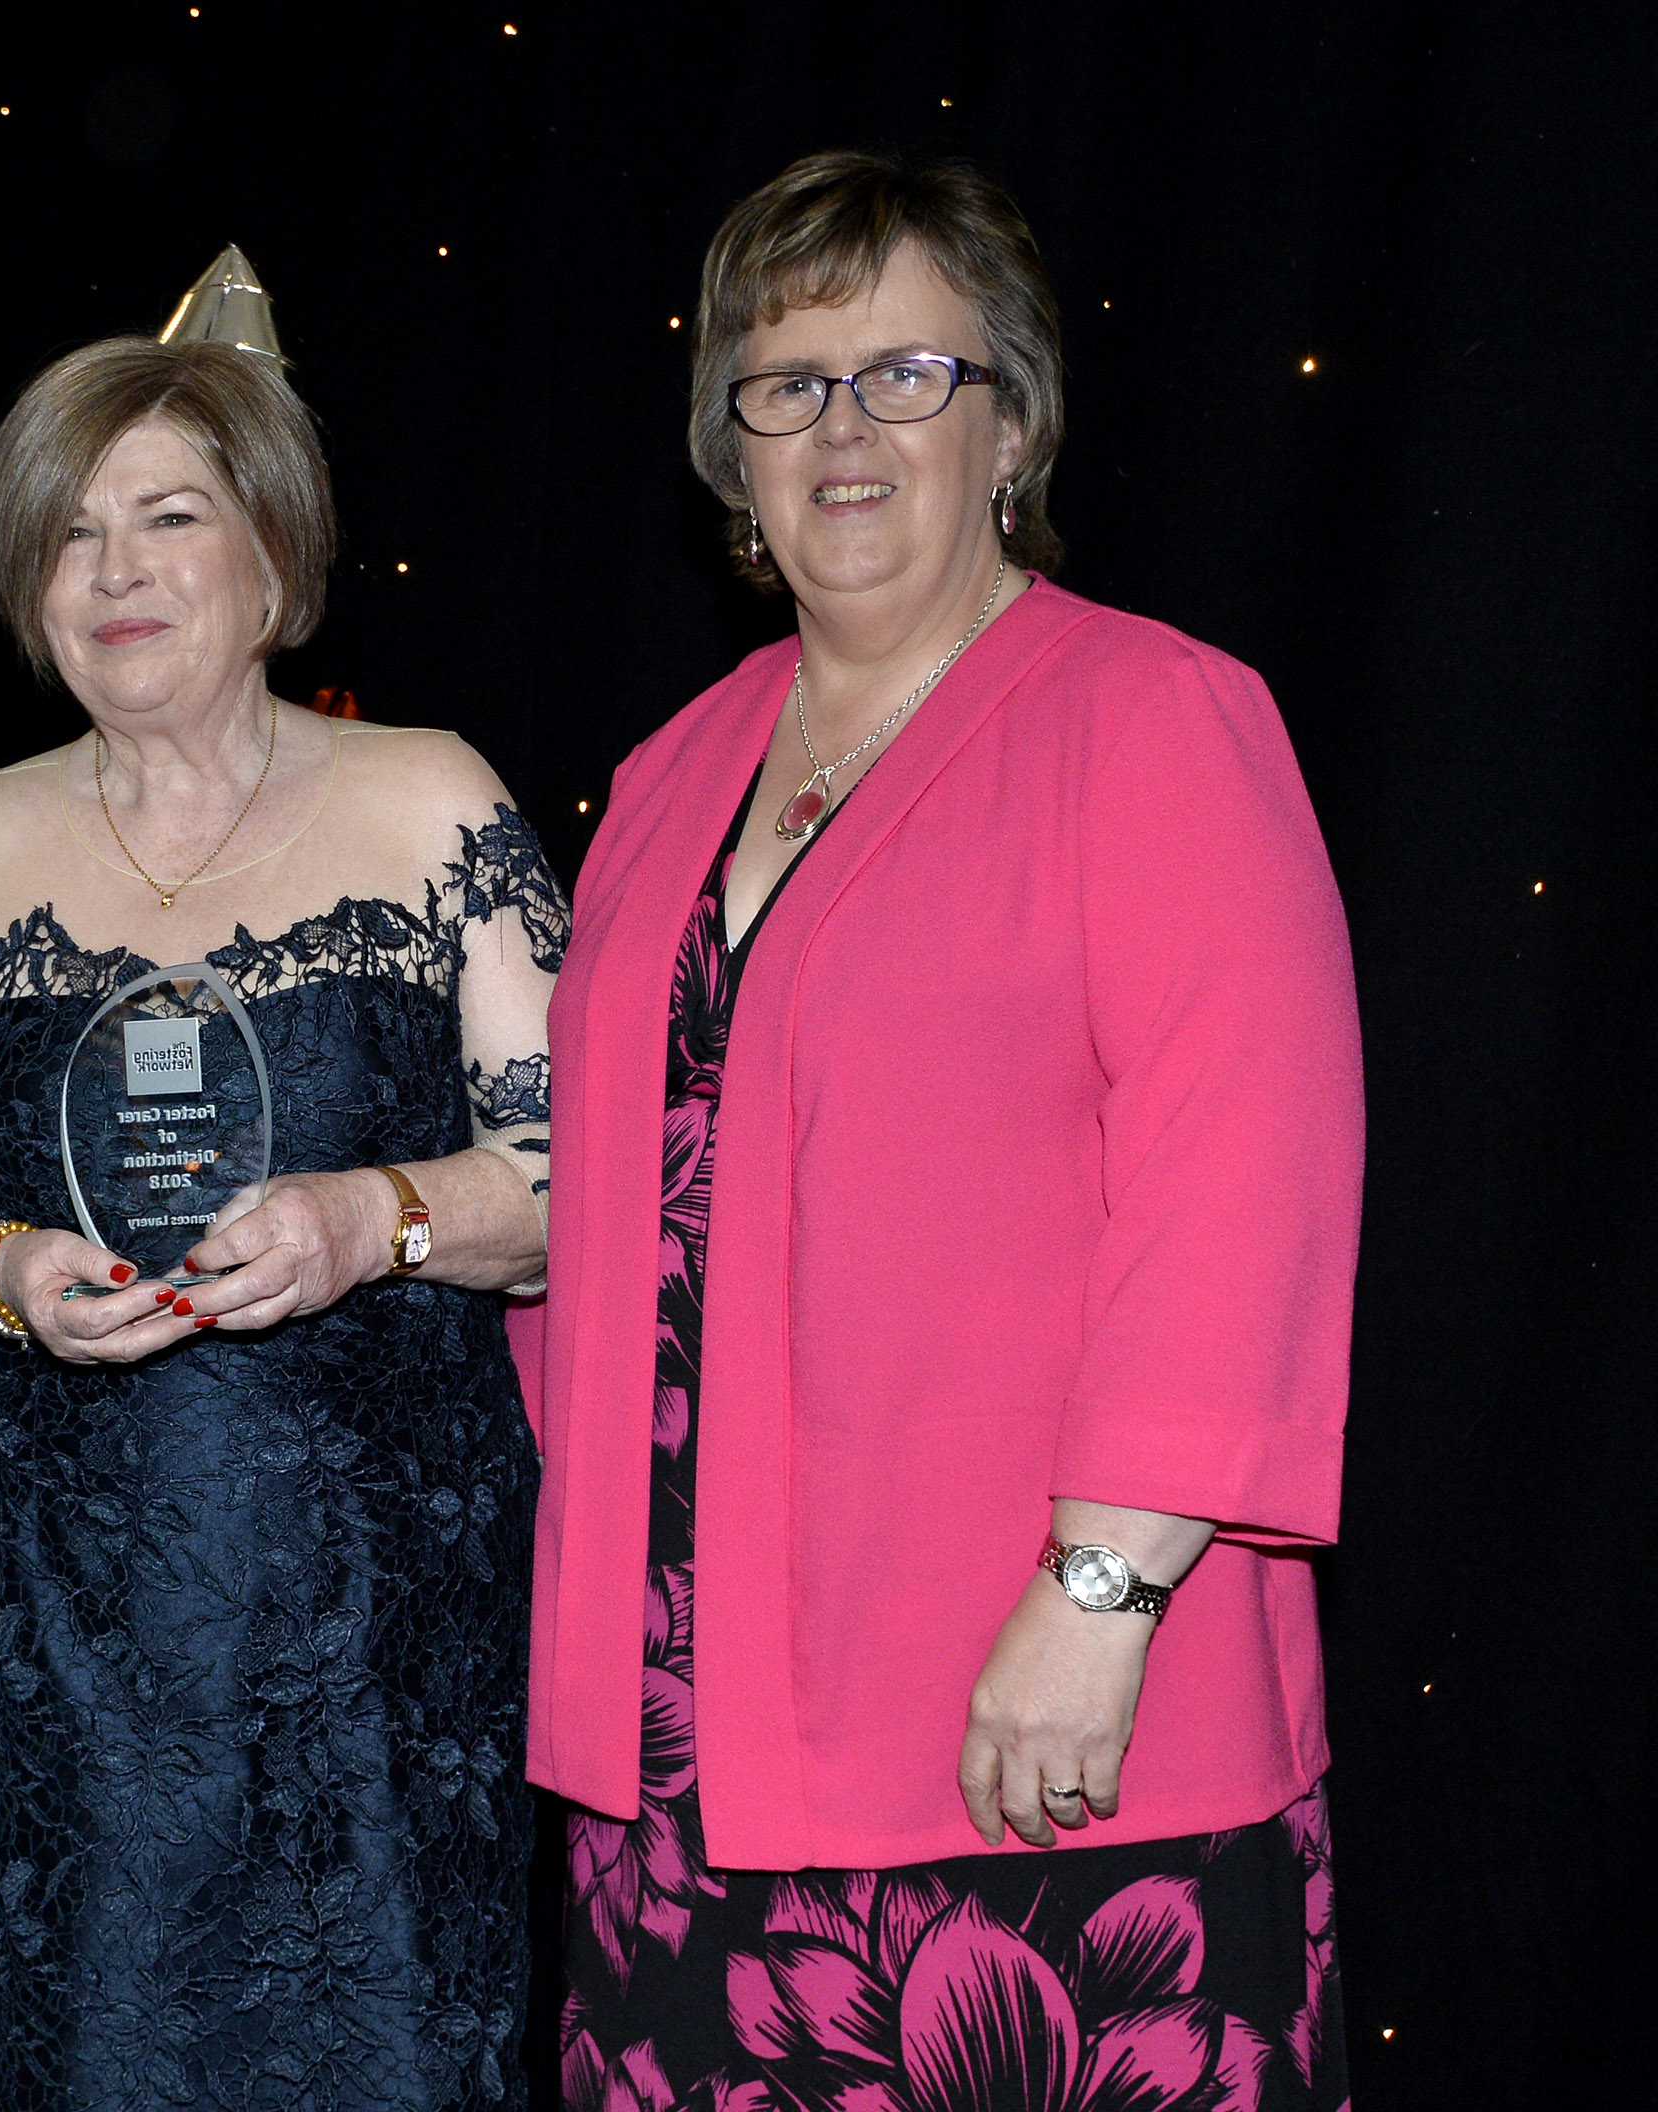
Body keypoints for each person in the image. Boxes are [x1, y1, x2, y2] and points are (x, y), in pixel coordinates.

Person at [523, 152, 1362, 2112]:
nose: (841, 429)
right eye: (782, 383)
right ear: (728, 449)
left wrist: (1098, 1601)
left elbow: (1248, 1183)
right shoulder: (668, 775)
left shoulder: (1155, 721)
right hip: (685, 1755)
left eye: (905, 372)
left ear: (1013, 420)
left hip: (1043, 1734)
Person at [0, 335, 562, 2111]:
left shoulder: (435, 802)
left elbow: (586, 1184)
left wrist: (377, 1216)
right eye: (68, 534)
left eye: (167, 517)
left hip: (378, 1635)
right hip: (44, 1640)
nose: (112, 571)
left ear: (273, 558)